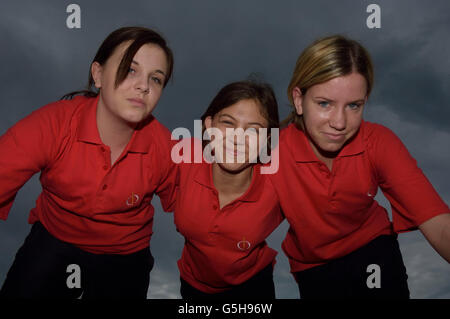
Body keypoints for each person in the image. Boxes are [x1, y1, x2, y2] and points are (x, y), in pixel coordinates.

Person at [0, 26, 176, 299]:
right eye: (131, 69)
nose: (144, 85)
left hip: (125, 253)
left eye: (156, 79)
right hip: (54, 236)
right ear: (98, 74)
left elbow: (200, 202)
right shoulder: (54, 124)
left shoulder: (165, 148)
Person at [270, 35, 450, 299]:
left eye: (354, 105)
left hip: (373, 252)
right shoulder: (270, 149)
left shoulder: (378, 141)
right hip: (314, 269)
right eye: (324, 104)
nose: (340, 122)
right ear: (299, 99)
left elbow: (440, 227)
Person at [172, 80, 284, 299]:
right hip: (193, 285)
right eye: (228, 123)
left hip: (253, 286)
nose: (237, 139)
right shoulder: (181, 160)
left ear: (267, 139)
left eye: (254, 130)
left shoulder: (279, 182)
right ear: (209, 125)